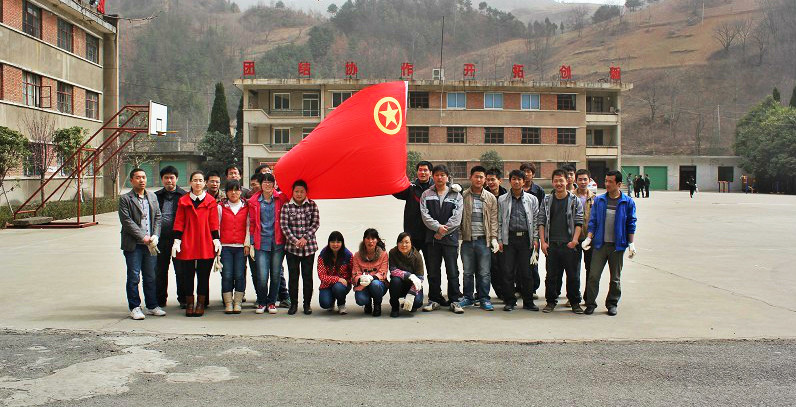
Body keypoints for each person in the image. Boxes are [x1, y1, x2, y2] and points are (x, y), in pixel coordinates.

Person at [582, 170, 637, 316]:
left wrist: (631, 244)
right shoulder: (600, 200)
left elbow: (631, 223)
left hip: (617, 246)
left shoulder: (627, 202)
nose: (607, 184)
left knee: (615, 279)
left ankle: (612, 304)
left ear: (618, 184)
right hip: (600, 245)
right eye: (606, 181)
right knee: (593, 276)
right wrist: (589, 238)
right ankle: (590, 303)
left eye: (610, 182)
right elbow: (593, 221)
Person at [172, 171, 221, 317]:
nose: (198, 183)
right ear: (190, 182)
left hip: (205, 241)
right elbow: (179, 221)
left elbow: (214, 222)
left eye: (200, 180)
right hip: (188, 241)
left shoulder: (210, 201)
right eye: (195, 180)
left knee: (203, 275)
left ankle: (200, 303)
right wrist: (177, 241)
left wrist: (216, 240)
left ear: (204, 183)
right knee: (187, 275)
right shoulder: (183, 201)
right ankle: (189, 303)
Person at [119, 168, 163, 320]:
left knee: (150, 276)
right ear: (131, 180)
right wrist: (143, 237)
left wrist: (156, 235)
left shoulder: (152, 196)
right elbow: (126, 221)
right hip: (134, 245)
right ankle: (135, 307)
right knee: (134, 276)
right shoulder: (125, 199)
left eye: (144, 177)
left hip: (150, 244)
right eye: (138, 177)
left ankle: (152, 305)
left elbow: (158, 217)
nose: (142, 180)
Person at [538, 169, 584, 314]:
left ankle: (575, 302)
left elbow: (579, 222)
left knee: (573, 276)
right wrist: (543, 242)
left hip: (569, 245)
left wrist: (574, 241)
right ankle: (550, 302)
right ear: (552, 182)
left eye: (561, 180)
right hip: (552, 245)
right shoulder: (547, 200)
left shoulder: (574, 200)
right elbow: (541, 222)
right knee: (551, 276)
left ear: (567, 181)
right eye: (556, 181)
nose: (558, 183)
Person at [419, 164, 464, 314]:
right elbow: (425, 215)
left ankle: (454, 300)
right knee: (433, 271)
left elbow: (457, 218)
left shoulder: (456, 195)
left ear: (447, 177)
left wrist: (443, 232)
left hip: (450, 239)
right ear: (433, 176)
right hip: (432, 239)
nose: (439, 178)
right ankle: (434, 300)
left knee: (452, 271)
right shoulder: (426, 194)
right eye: (437, 175)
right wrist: (437, 228)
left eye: (442, 175)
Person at [497, 170, 540, 312]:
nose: (516, 182)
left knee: (526, 272)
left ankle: (528, 302)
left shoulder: (532, 199)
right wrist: (500, 239)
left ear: (523, 181)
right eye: (514, 179)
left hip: (526, 239)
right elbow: (499, 221)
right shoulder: (502, 199)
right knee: (507, 272)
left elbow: (535, 220)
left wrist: (535, 238)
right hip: (509, 239)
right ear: (510, 181)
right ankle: (510, 301)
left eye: (519, 179)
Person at [459, 166, 499, 311]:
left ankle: (484, 298)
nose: (479, 179)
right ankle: (468, 297)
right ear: (471, 177)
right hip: (467, 240)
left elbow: (494, 220)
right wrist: (459, 238)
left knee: (484, 272)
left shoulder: (490, 198)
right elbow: (458, 218)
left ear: (485, 180)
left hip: (484, 241)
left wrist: (493, 238)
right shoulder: (463, 196)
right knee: (468, 272)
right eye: (476, 176)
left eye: (482, 177)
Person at [248, 173, 288, 314]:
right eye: (264, 182)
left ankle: (271, 302)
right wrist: (251, 243)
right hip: (261, 242)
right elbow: (252, 223)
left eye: (270, 182)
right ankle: (261, 302)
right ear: (260, 184)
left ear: (274, 184)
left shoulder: (281, 199)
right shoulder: (253, 201)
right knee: (262, 275)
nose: (267, 184)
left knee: (276, 274)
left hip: (278, 242)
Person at [280, 179, 320, 315]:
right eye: (296, 191)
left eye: (301, 191)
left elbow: (315, 224)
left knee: (307, 277)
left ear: (306, 192)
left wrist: (305, 238)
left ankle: (307, 304)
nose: (299, 194)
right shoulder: (286, 206)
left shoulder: (312, 205)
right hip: (292, 249)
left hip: (309, 248)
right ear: (292, 192)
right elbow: (284, 226)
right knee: (293, 277)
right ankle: (293, 304)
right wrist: (295, 241)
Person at [154, 165, 187, 308]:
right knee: (160, 271)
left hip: (178, 240)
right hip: (160, 239)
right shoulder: (155, 196)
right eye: (166, 178)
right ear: (162, 179)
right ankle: (160, 300)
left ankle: (183, 299)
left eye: (172, 178)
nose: (169, 181)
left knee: (181, 271)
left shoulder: (184, 196)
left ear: (177, 179)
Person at [217, 180, 250, 314]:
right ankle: (228, 303)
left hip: (241, 247)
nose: (233, 193)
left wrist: (247, 244)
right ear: (226, 192)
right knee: (227, 275)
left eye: (236, 190)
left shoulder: (246, 207)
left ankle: (238, 302)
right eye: (230, 190)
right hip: (225, 246)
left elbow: (248, 227)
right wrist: (218, 245)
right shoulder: (220, 207)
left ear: (241, 192)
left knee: (240, 275)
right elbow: (217, 226)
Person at [393, 160, 434, 255]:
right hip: (412, 234)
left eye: (425, 170)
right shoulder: (410, 187)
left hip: (430, 235)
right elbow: (397, 192)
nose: (422, 172)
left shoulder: (435, 188)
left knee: (431, 263)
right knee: (410, 261)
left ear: (430, 173)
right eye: (420, 170)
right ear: (417, 172)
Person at [519, 162, 544, 299]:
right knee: (518, 263)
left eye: (529, 171)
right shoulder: (516, 188)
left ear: (533, 174)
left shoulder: (538, 191)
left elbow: (541, 213)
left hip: (533, 231)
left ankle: (532, 288)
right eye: (524, 171)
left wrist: (538, 235)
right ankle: (519, 288)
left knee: (533, 261)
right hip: (518, 231)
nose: (527, 174)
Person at [351, 228, 389, 316]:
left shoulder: (383, 254)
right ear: (364, 240)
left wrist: (372, 278)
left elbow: (383, 272)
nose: (370, 241)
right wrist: (361, 279)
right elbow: (355, 273)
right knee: (360, 300)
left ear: (377, 240)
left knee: (375, 284)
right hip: (363, 284)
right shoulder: (357, 255)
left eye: (373, 238)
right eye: (368, 238)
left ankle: (377, 304)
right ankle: (367, 303)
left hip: (378, 284)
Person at [388, 232, 425, 317]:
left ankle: (408, 303)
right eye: (401, 242)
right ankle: (395, 307)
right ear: (397, 243)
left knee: (417, 303)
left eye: (407, 242)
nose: (404, 245)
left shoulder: (417, 256)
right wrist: (409, 275)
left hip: (413, 285)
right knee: (395, 281)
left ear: (411, 244)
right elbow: (393, 270)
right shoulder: (393, 252)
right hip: (399, 285)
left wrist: (411, 294)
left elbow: (420, 278)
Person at [317, 231, 353, 315]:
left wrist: (351, 282)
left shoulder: (348, 255)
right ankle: (331, 299)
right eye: (332, 242)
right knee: (325, 304)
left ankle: (341, 304)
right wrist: (337, 279)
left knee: (338, 287)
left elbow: (353, 271)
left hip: (342, 285)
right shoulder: (323, 255)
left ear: (342, 243)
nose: (335, 244)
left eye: (338, 242)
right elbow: (322, 276)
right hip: (327, 284)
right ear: (329, 242)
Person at [485, 167, 508, 301]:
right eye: (488, 180)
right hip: (488, 235)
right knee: (491, 266)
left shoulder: (506, 196)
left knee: (505, 266)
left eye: (493, 179)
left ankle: (507, 291)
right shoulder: (483, 195)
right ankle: (495, 292)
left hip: (504, 236)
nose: (490, 182)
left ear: (500, 180)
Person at [575, 169, 596, 302]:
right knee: (574, 270)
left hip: (590, 238)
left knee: (591, 269)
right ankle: (574, 297)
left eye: (585, 179)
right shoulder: (570, 197)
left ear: (589, 180)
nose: (582, 182)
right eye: (580, 179)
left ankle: (588, 297)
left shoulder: (595, 198)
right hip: (574, 239)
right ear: (576, 181)